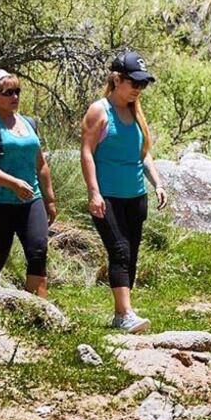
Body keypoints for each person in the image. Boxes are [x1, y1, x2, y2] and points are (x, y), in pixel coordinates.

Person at [80, 51, 167, 333]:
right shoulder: (99, 111)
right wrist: (94, 192)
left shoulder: (135, 112)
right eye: (134, 83)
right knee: (118, 250)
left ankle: (122, 313)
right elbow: (87, 153)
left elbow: (143, 154)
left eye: (143, 85)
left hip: (135, 196)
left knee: (131, 253)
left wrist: (158, 183)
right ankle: (125, 313)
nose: (139, 89)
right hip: (109, 197)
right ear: (117, 79)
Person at [0, 70, 57, 297]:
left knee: (38, 250)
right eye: (8, 92)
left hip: (31, 199)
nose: (15, 97)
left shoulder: (28, 123)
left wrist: (49, 199)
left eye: (17, 91)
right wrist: (13, 184)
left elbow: (40, 164)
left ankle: (36, 309)